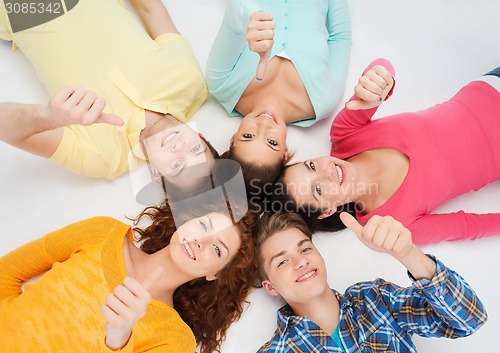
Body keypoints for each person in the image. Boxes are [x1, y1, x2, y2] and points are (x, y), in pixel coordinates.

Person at [0, 201, 257, 353]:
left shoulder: (175, 340)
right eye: (203, 225)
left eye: (217, 248)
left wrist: (118, 339)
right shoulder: (102, 232)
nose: (202, 239)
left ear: (214, 274)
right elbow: (6, 273)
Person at [272, 58, 500, 245]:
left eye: (311, 166)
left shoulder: (344, 134)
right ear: (326, 211)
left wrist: (378, 78)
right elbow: (467, 227)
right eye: (318, 188)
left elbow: (380, 69)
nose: (326, 171)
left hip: (490, 86)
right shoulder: (393, 225)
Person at [0, 0, 215, 181]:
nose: (180, 148)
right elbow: (150, 8)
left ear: (156, 174)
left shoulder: (101, 157)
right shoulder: (191, 81)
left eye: (177, 165)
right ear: (201, 136)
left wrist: (47, 116)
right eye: (196, 150)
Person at [249, 211, 487, 353]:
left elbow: (470, 319)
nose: (301, 261)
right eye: (282, 261)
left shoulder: (375, 300)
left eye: (305, 249)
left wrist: (408, 254)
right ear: (270, 287)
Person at [206, 0, 351, 192]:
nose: (264, 125)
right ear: (285, 153)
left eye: (248, 136)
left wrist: (252, 18)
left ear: (233, 138)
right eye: (272, 142)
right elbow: (340, 37)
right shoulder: (323, 101)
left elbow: (234, 14)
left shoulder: (221, 83)